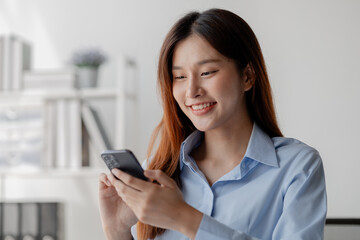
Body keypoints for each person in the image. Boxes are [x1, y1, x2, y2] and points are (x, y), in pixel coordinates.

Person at [98, 8, 327, 240]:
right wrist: (117, 230)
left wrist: (183, 217)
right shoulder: (157, 173)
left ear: (247, 76)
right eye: (180, 77)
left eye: (207, 72)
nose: (191, 91)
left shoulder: (298, 167)